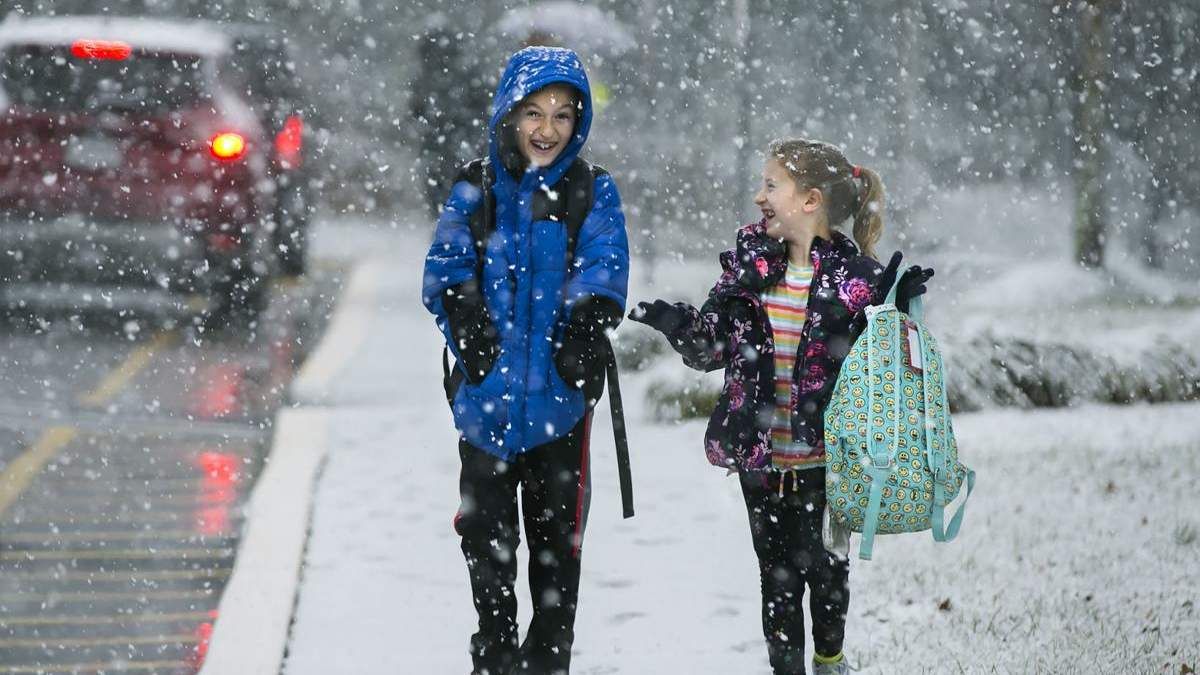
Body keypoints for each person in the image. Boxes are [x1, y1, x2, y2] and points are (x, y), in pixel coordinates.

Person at [629, 138, 932, 675]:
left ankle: (830, 659)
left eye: (771, 185)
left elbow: (887, 366)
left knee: (827, 574)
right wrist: (679, 327)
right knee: (777, 580)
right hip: (762, 461)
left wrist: (899, 305)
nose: (758, 195)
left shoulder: (856, 281)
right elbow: (714, 347)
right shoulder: (749, 272)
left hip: (831, 463)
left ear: (810, 199)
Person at [421, 46, 630, 675]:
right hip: (485, 402)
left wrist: (584, 328)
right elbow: (447, 267)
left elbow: (604, 263)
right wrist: (469, 328)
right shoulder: (475, 186)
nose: (547, 129)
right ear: (509, 115)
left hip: (560, 405)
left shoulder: (591, 190)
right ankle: (495, 645)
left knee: (556, 550)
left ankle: (548, 656)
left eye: (564, 116)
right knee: (486, 539)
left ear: (580, 122)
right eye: (534, 113)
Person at [411, 25, 490, 217]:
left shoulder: (427, 78)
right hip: (457, 145)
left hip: (447, 145)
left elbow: (415, 111)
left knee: (442, 194)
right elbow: (485, 106)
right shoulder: (468, 72)